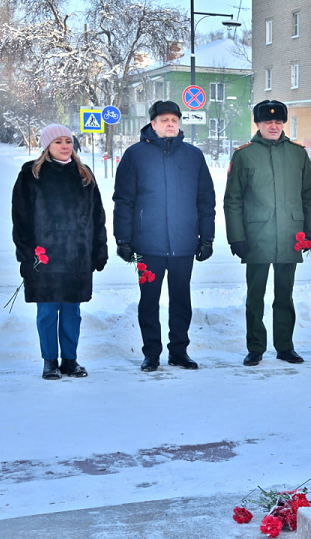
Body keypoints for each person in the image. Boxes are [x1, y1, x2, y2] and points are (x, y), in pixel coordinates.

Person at [112, 101, 216, 372]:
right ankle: (151, 353)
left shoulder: (193, 156)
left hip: (183, 244)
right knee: (149, 301)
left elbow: (206, 200)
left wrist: (207, 237)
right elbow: (123, 200)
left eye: (174, 120)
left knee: (181, 300)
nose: (170, 124)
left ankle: (179, 352)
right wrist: (123, 239)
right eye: (164, 120)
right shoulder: (135, 155)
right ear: (153, 124)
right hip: (148, 245)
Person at [224, 100, 311, 366]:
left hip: (291, 236)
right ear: (258, 124)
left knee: (285, 295)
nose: (274, 126)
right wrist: (236, 237)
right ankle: (255, 347)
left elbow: (309, 196)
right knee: (255, 295)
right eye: (268, 122)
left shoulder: (297, 154)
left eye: (278, 122)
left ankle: (285, 346)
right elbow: (233, 200)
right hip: (257, 237)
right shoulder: (244, 155)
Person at [11, 124, 108, 380]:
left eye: (68, 141)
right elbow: (20, 219)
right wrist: (26, 255)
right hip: (44, 258)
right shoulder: (31, 174)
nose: (65, 146)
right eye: (58, 142)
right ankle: (49, 361)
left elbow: (97, 216)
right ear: (47, 146)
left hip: (77, 256)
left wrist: (99, 249)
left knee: (72, 313)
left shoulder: (84, 174)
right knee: (47, 313)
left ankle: (70, 360)